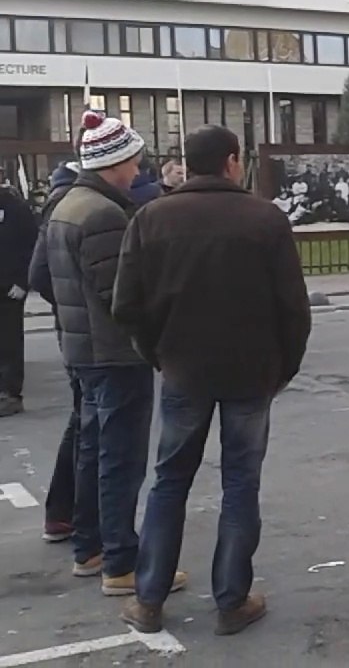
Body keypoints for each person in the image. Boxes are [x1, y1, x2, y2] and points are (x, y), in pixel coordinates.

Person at [114, 125, 311, 636]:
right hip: (251, 372)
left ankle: (149, 597)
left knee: (170, 480)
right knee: (241, 482)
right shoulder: (264, 219)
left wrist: (158, 353)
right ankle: (232, 599)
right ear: (230, 161)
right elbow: (293, 307)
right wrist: (283, 368)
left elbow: (127, 306)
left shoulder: (151, 217)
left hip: (182, 368)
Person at [28, 110, 188, 595]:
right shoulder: (103, 214)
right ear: (114, 162)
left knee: (91, 449)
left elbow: (43, 279)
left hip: (82, 350)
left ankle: (90, 548)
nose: (138, 169)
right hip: (114, 355)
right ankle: (120, 562)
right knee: (120, 458)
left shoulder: (65, 205)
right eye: (133, 160)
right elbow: (121, 295)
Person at [30, 159, 86, 542]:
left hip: (73, 329)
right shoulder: (76, 207)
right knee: (89, 422)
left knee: (84, 418)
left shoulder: (58, 206)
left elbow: (38, 275)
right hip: (88, 334)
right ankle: (72, 514)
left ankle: (63, 512)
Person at [0, 176, 38, 417]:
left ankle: (10, 393)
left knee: (9, 341)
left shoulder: (15, 208)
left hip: (9, 289)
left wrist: (23, 281)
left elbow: (33, 245)